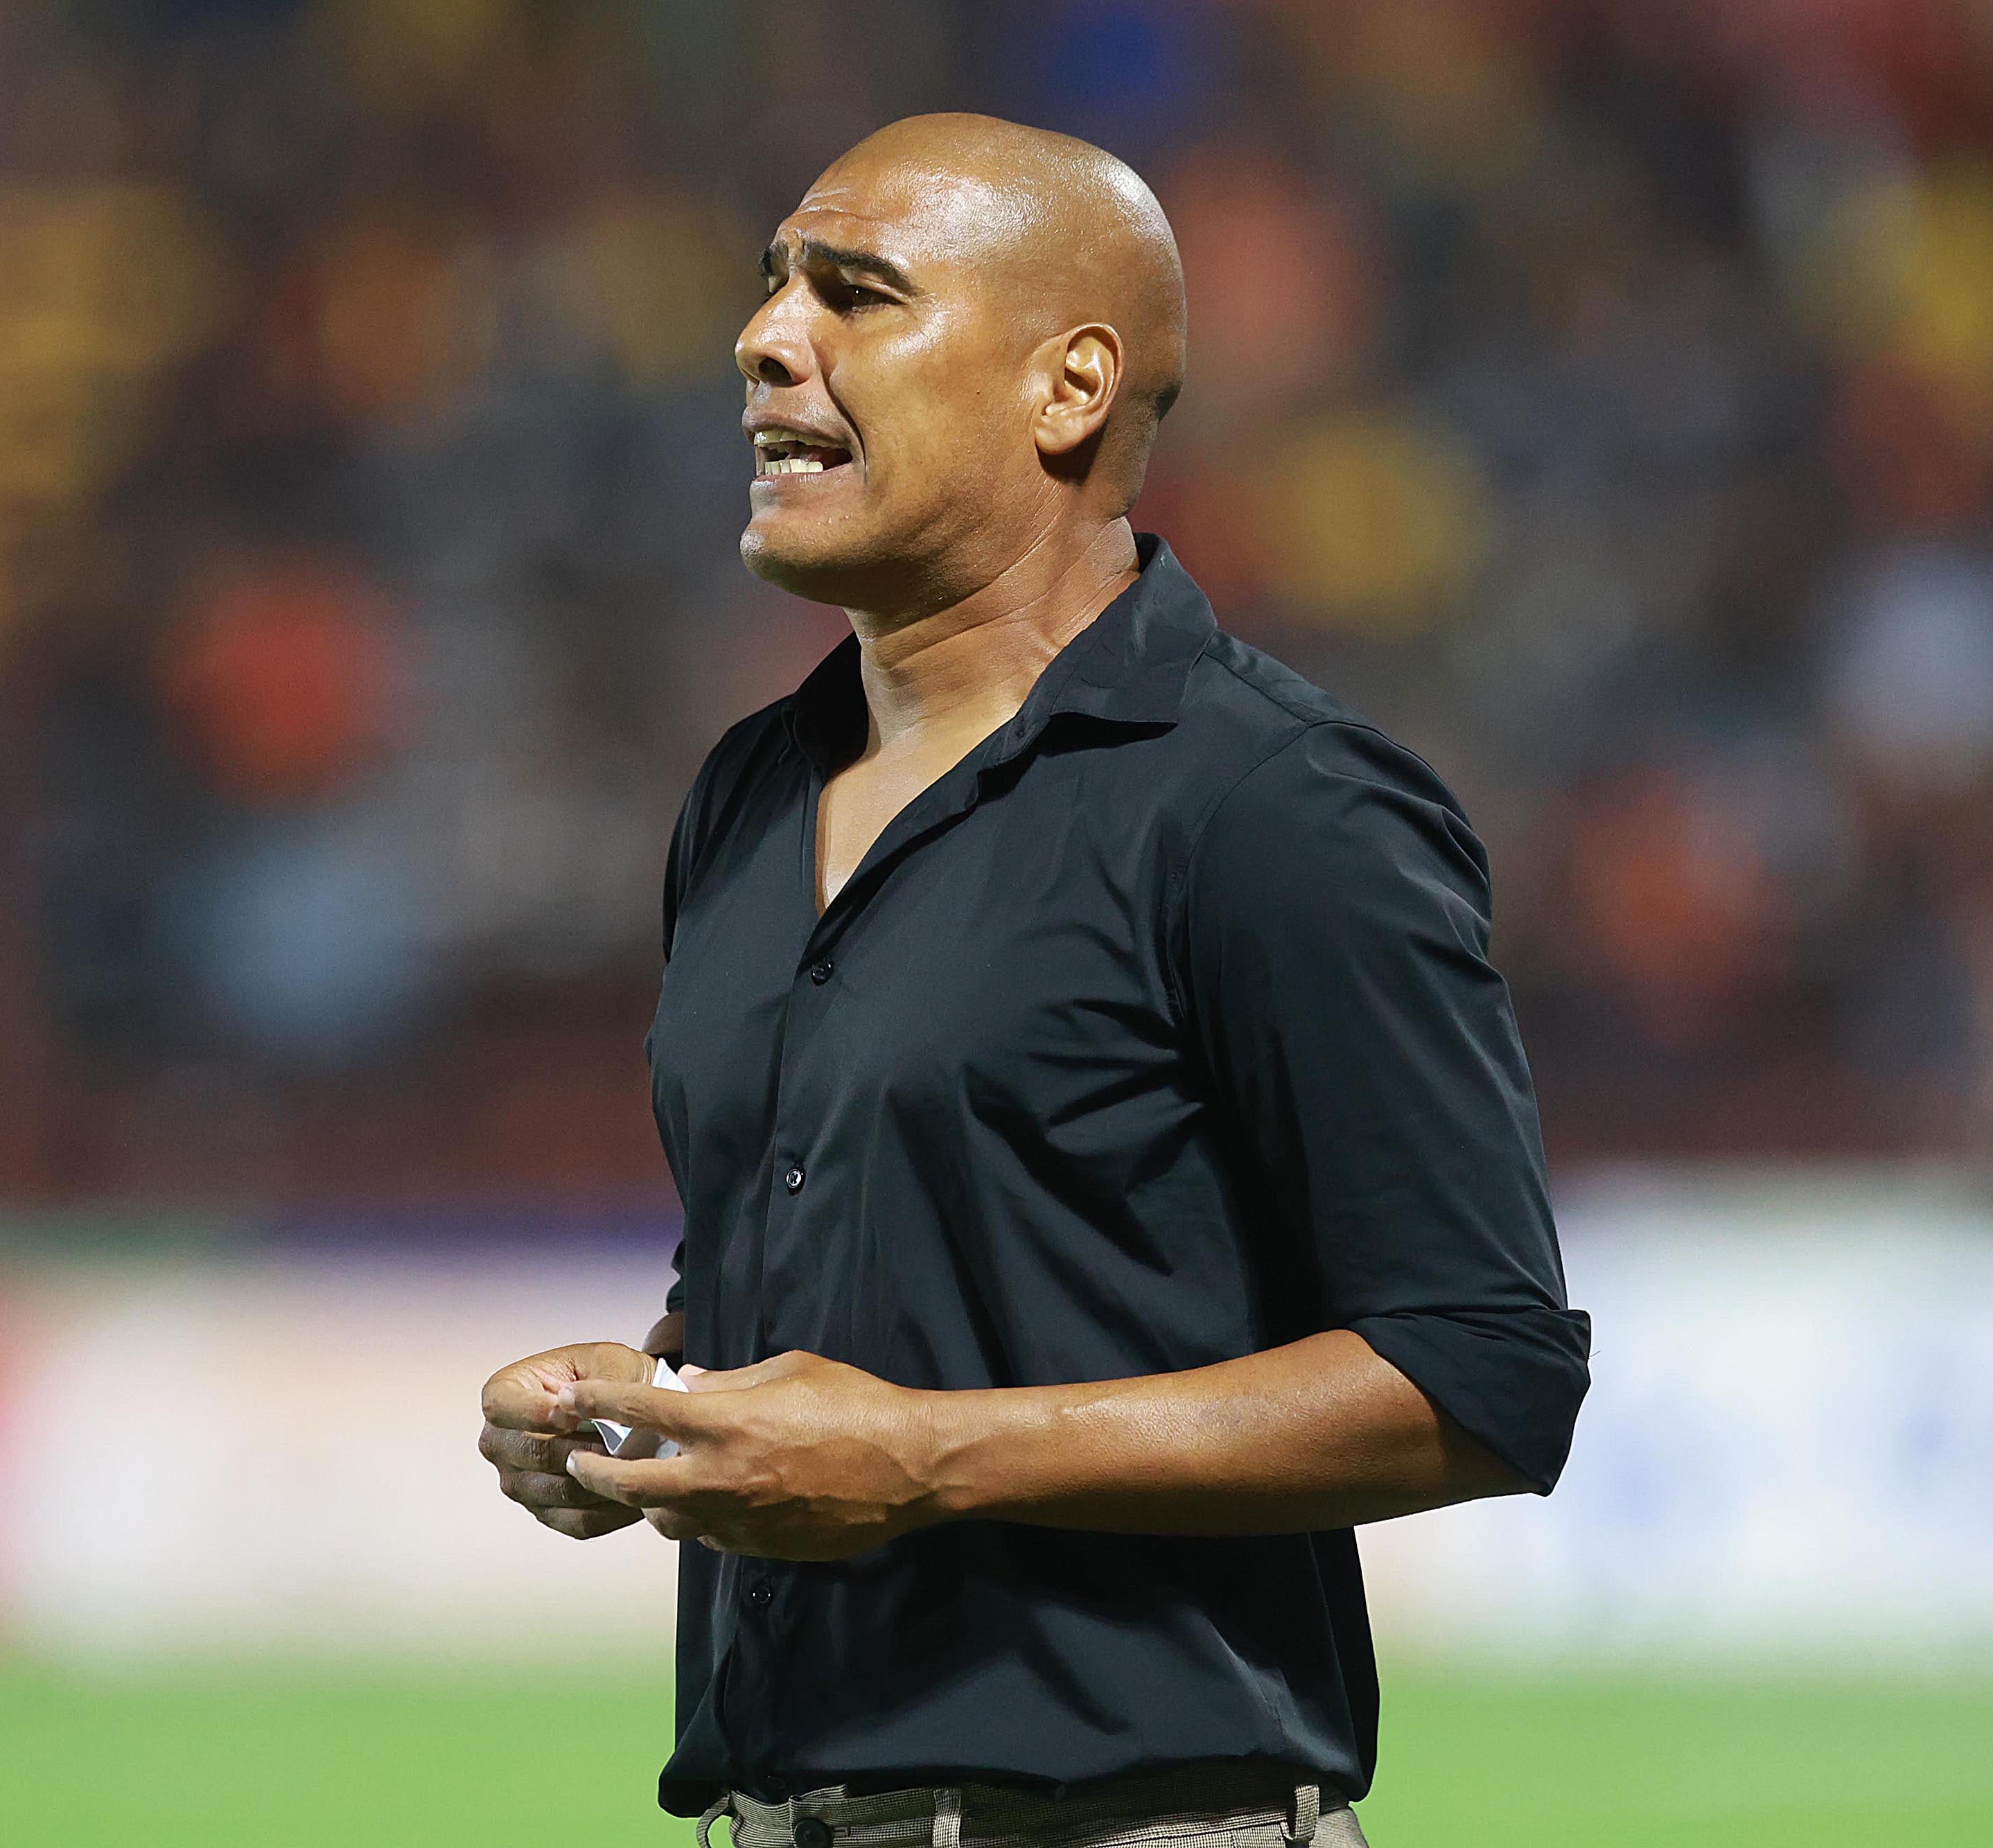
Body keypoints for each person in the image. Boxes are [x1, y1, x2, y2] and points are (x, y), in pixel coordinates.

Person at [476, 114, 1587, 1847]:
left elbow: (1481, 1368)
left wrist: (917, 1454)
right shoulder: (747, 796)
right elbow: (869, 1257)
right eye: (773, 284)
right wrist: (658, 1408)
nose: (767, 337)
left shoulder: (1269, 802)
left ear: (1067, 387)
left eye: (853, 293)